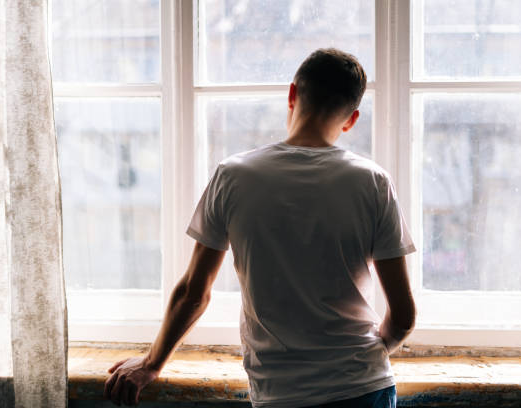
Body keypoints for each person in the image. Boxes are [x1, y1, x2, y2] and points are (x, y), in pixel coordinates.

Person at [103, 48, 417, 408]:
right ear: (351, 119)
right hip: (364, 386)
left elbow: (194, 292)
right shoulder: (373, 182)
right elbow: (404, 315)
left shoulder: (234, 176)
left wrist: (150, 364)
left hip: (281, 394)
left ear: (292, 94)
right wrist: (369, 356)